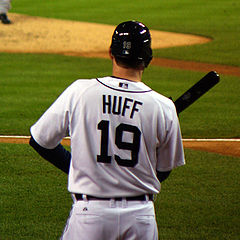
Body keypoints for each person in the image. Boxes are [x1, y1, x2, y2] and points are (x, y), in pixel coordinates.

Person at [29, 20, 185, 240]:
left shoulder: (80, 91)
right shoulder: (163, 107)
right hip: (140, 219)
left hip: (90, 216)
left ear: (111, 52)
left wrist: (78, 167)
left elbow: (39, 141)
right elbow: (164, 170)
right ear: (148, 58)